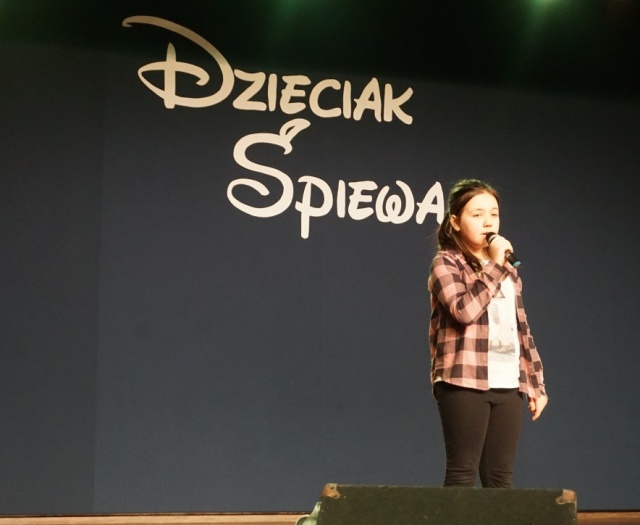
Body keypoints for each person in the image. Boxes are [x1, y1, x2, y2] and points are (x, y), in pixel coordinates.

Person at [428, 178, 548, 488]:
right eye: (477, 214)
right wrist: (494, 265)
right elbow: (464, 312)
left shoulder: (508, 268)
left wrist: (535, 382)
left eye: (493, 214)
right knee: (462, 473)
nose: (488, 222)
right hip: (464, 379)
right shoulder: (446, 263)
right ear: (456, 222)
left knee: (500, 478)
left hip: (508, 381)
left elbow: (520, 328)